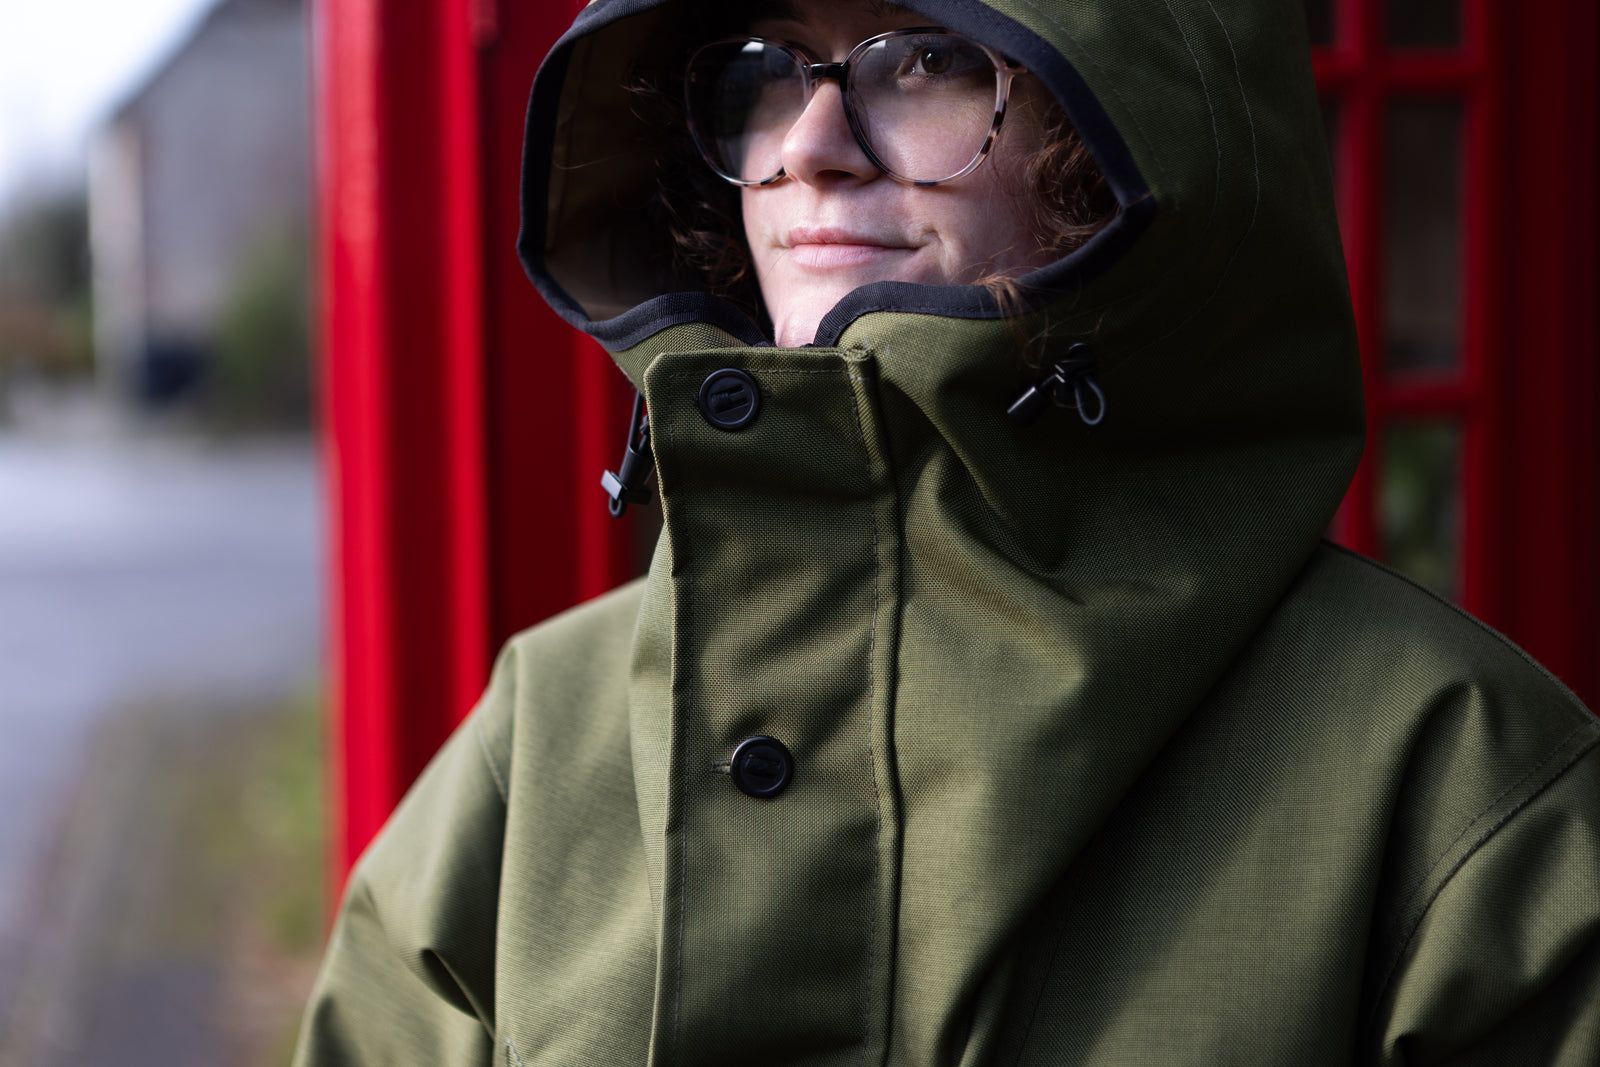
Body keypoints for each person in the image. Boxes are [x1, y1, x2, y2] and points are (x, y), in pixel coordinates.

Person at [294, 0, 1600, 1063]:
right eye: (765, 65)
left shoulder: (1460, 778)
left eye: (924, 58)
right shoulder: (539, 729)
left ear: (1126, 134)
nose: (808, 143)